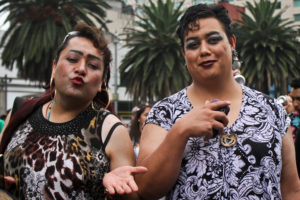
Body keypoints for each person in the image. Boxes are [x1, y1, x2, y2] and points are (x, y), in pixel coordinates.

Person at [135, 4, 300, 200]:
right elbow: (144, 189)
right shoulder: (164, 113)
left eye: (213, 40)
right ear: (184, 54)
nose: (204, 50)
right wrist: (180, 132)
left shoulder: (272, 110)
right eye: (193, 45)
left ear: (232, 43)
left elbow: (291, 189)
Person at [0, 22, 147, 199]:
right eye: (72, 59)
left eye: (93, 65)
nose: (81, 69)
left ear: (101, 82)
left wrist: (120, 191)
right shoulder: (21, 111)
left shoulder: (112, 130)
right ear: (54, 68)